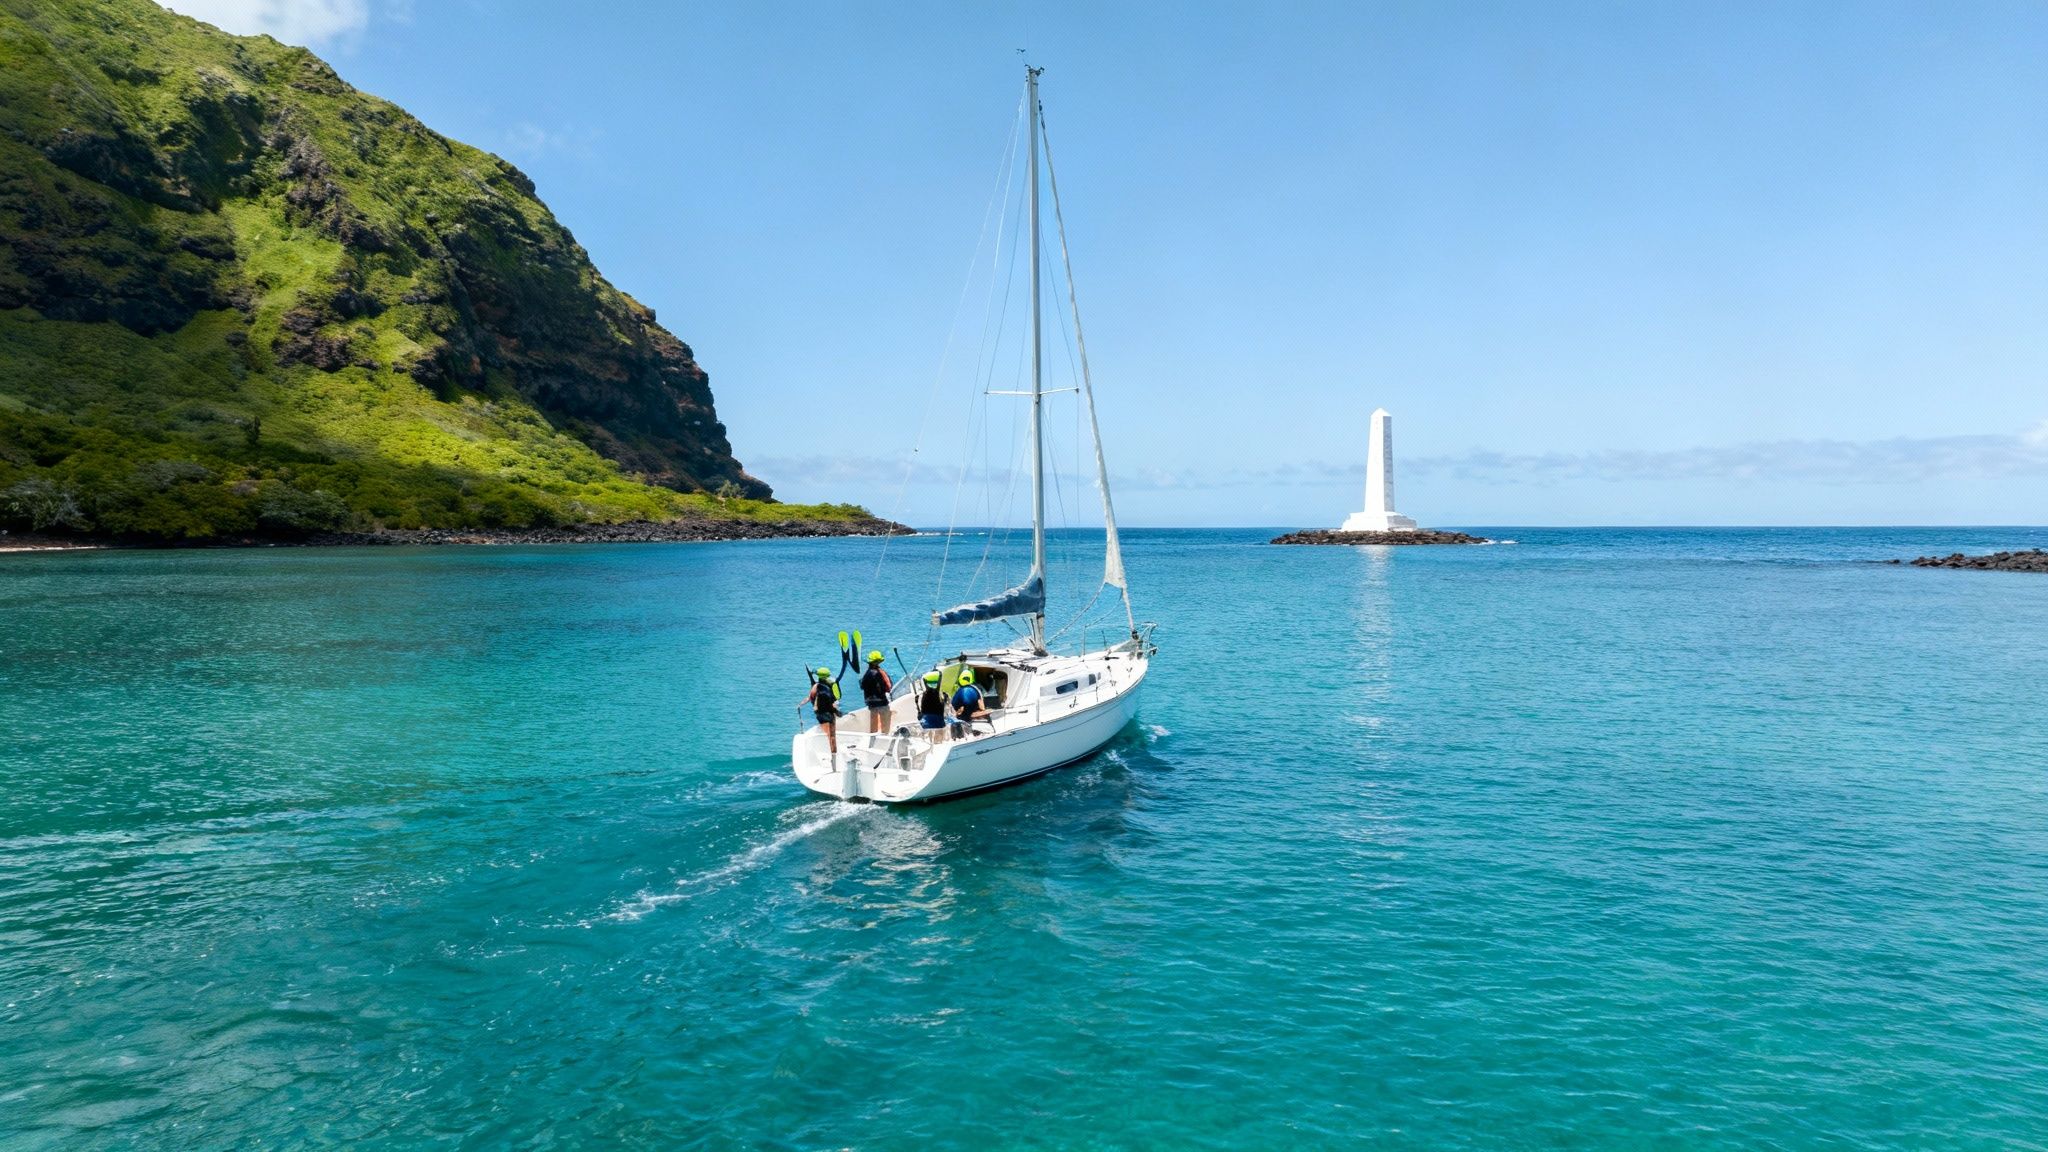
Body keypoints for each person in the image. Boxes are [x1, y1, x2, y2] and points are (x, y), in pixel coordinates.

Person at [799, 666, 843, 755]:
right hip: (828, 714)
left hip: (819, 714)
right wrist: (837, 712)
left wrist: (800, 705)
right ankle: (834, 754)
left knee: (826, 733)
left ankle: (824, 751)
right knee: (832, 736)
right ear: (827, 678)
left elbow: (810, 698)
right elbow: (832, 703)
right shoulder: (827, 689)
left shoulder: (815, 686)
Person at [950, 667, 992, 737]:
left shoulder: (958, 692)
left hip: (962, 721)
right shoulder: (976, 689)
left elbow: (954, 708)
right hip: (975, 719)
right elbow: (981, 706)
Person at [859, 651, 894, 733]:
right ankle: (885, 736)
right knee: (885, 721)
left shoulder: (867, 673)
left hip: (870, 702)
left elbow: (862, 686)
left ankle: (873, 738)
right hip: (881, 701)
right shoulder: (880, 673)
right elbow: (888, 687)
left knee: (873, 722)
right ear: (877, 662)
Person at [916, 670, 948, 742]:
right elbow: (938, 688)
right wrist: (940, 674)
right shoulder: (940, 705)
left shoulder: (924, 701)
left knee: (928, 724)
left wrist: (917, 705)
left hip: (926, 726)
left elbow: (919, 716)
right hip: (939, 725)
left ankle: (930, 741)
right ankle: (938, 741)